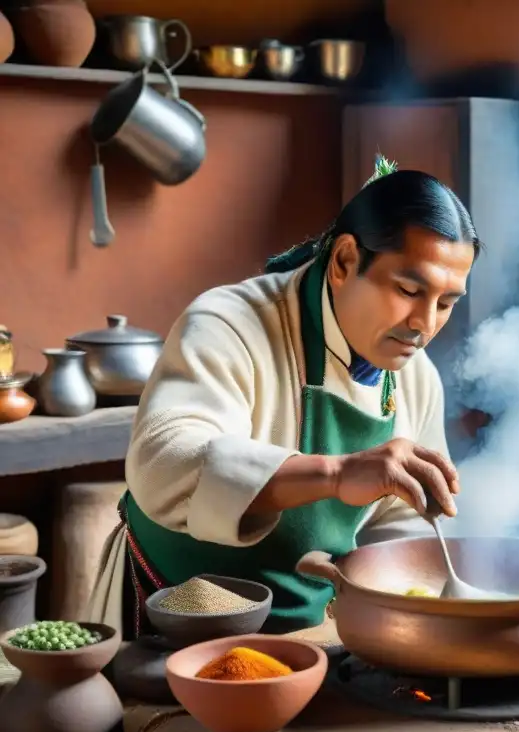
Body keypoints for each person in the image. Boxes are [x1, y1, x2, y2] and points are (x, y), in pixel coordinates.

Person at [87, 157, 479, 638]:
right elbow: (162, 463)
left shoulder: (417, 379)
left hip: (309, 633)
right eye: (408, 289)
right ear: (344, 262)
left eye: (445, 303)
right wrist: (335, 474)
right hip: (168, 617)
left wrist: (397, 594)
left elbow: (401, 522)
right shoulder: (229, 323)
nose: (425, 324)